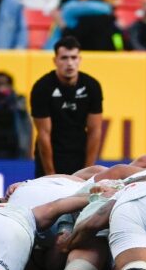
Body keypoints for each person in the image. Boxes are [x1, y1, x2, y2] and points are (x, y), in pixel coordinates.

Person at [30, 36, 103, 177]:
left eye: (73, 57)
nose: (69, 63)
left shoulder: (92, 86)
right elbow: (44, 134)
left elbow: (95, 130)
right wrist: (50, 174)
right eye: (64, 58)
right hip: (51, 155)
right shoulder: (42, 87)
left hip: (79, 153)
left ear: (79, 59)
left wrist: (88, 171)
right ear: (55, 60)